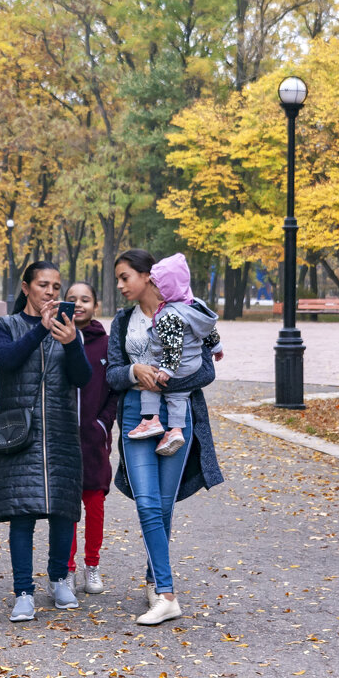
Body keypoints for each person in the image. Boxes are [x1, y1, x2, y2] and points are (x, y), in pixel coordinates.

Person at [107, 249, 222, 626]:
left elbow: (206, 371)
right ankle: (167, 594)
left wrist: (164, 379)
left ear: (149, 277)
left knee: (164, 505)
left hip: (178, 418)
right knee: (146, 502)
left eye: (126, 277)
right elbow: (111, 374)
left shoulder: (185, 312)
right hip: (135, 417)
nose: (120, 285)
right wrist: (134, 372)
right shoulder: (123, 322)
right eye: (119, 278)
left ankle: (155, 581)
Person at [0, 261, 92, 623]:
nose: (50, 292)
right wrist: (39, 332)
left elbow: (82, 378)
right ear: (27, 287)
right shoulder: (6, 325)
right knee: (23, 514)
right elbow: (7, 360)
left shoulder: (69, 331)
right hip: (19, 433)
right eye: (43, 285)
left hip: (61, 432)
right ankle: (22, 592)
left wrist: (72, 343)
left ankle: (59, 580)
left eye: (55, 286)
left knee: (63, 511)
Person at [127, 254, 222, 457]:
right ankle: (175, 431)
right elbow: (208, 329)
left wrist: (166, 370)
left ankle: (150, 420)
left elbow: (172, 346)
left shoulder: (169, 315)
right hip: (193, 365)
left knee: (150, 383)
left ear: (167, 288)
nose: (153, 289)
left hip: (175, 366)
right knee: (178, 396)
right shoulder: (195, 305)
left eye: (156, 286)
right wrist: (216, 347)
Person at [63, 281, 117, 595]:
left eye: (85, 299)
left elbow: (115, 391)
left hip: (95, 441)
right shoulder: (56, 339)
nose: (79, 304)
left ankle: (92, 566)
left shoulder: (107, 344)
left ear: (95, 305)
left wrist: (102, 423)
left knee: (94, 506)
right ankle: (66, 569)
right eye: (72, 299)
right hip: (64, 440)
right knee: (68, 509)